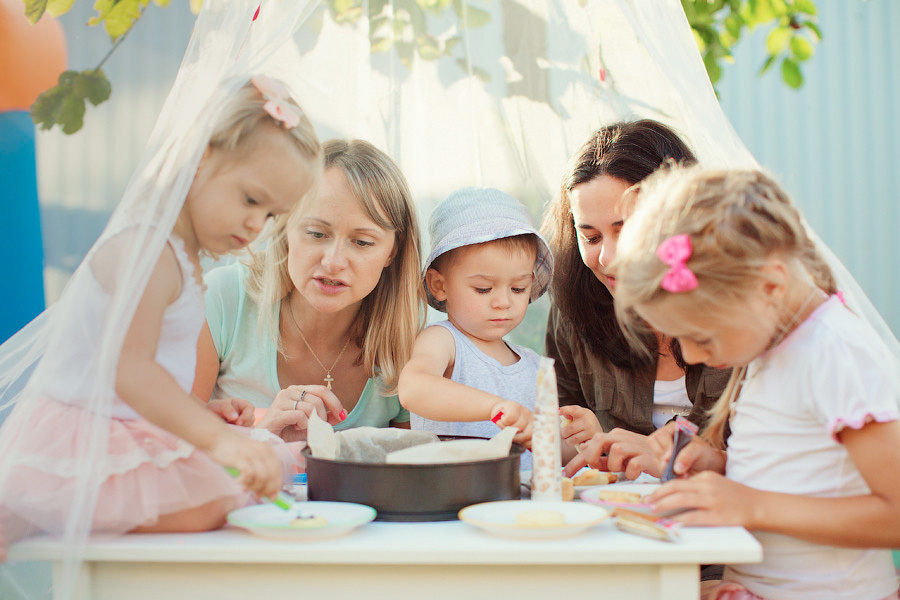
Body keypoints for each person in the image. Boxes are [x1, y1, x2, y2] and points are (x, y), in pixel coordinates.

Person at [0, 73, 322, 557]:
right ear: (197, 160)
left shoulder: (184, 258)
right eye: (252, 200)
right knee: (213, 499)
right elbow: (129, 371)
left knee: (246, 484)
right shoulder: (146, 251)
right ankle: (26, 506)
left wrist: (199, 413)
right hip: (82, 431)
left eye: (273, 215)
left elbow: (146, 377)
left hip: (122, 422)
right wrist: (217, 439)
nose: (257, 224)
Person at [613, 167, 900, 600]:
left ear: (770, 284)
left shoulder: (836, 353)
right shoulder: (772, 346)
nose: (689, 356)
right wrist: (718, 467)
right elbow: (805, 471)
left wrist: (750, 504)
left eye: (702, 337)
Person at [194, 138, 424, 442]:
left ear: (393, 252)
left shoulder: (410, 338)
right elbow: (166, 452)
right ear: (286, 229)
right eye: (316, 233)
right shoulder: (223, 299)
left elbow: (408, 474)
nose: (333, 262)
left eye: (362, 242)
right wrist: (264, 437)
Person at [542, 120, 732, 476]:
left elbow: (778, 460)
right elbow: (566, 440)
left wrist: (664, 457)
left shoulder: (742, 309)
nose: (608, 258)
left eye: (625, 229)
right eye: (592, 237)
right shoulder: (574, 311)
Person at [398, 187, 554, 454]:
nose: (504, 302)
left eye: (518, 288)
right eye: (483, 289)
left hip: (519, 494)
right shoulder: (443, 340)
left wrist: (580, 439)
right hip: (452, 491)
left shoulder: (534, 366)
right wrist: (493, 408)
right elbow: (414, 388)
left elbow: (548, 450)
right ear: (439, 285)